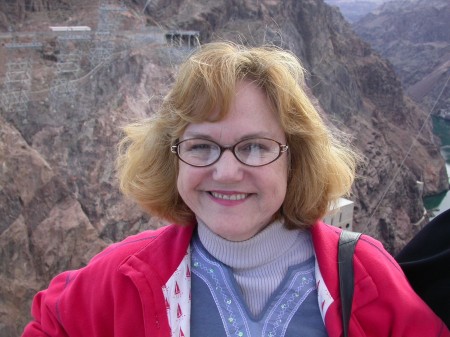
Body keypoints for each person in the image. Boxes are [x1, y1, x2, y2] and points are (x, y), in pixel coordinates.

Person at [22, 42, 449, 337]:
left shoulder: (362, 273)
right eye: (202, 146)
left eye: (255, 147)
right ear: (172, 157)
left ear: (293, 157)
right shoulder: (124, 276)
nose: (226, 172)